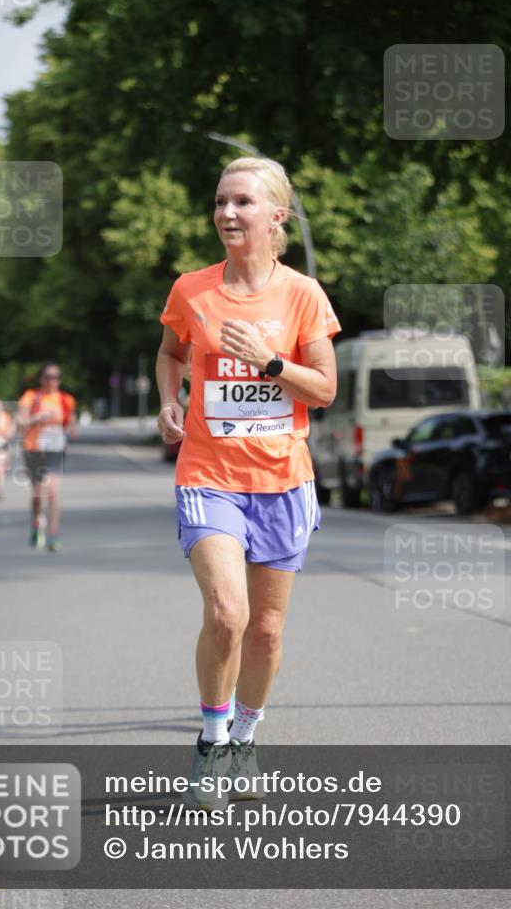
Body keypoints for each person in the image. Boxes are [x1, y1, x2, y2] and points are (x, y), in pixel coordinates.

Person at [156, 156, 341, 811]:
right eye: (219, 202)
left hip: (283, 479)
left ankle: (246, 735)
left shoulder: (301, 295)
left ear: (275, 216)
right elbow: (172, 351)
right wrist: (169, 399)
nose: (227, 214)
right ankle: (210, 742)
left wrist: (268, 362)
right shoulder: (192, 289)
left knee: (264, 631)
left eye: (241, 202)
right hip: (208, 474)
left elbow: (323, 389)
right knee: (226, 615)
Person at [17, 363, 77, 552]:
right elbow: (20, 422)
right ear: (41, 378)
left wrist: (69, 429)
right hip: (34, 448)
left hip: (55, 449)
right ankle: (36, 523)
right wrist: (37, 418)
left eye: (56, 377)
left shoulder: (66, 399)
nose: (53, 380)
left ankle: (52, 534)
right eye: (49, 376)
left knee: (53, 491)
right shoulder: (30, 397)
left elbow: (71, 424)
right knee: (37, 494)